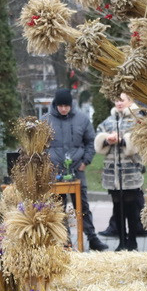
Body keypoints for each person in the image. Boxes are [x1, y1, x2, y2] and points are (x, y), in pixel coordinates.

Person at [43, 88, 107, 252]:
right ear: (55, 105)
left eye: (67, 106)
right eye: (61, 106)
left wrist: (85, 161)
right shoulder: (45, 121)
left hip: (77, 169)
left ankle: (91, 237)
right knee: (58, 207)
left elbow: (90, 141)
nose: (64, 109)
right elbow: (39, 146)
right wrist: (46, 164)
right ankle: (65, 240)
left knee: (82, 206)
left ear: (71, 105)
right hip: (55, 171)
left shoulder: (82, 119)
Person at [94, 93, 147, 251]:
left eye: (122, 100)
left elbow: (141, 140)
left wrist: (123, 141)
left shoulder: (137, 119)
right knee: (117, 207)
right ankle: (121, 241)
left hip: (130, 171)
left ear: (130, 101)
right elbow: (99, 135)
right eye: (116, 100)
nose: (118, 103)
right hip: (112, 173)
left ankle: (132, 241)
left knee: (131, 207)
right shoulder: (110, 120)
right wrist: (106, 139)